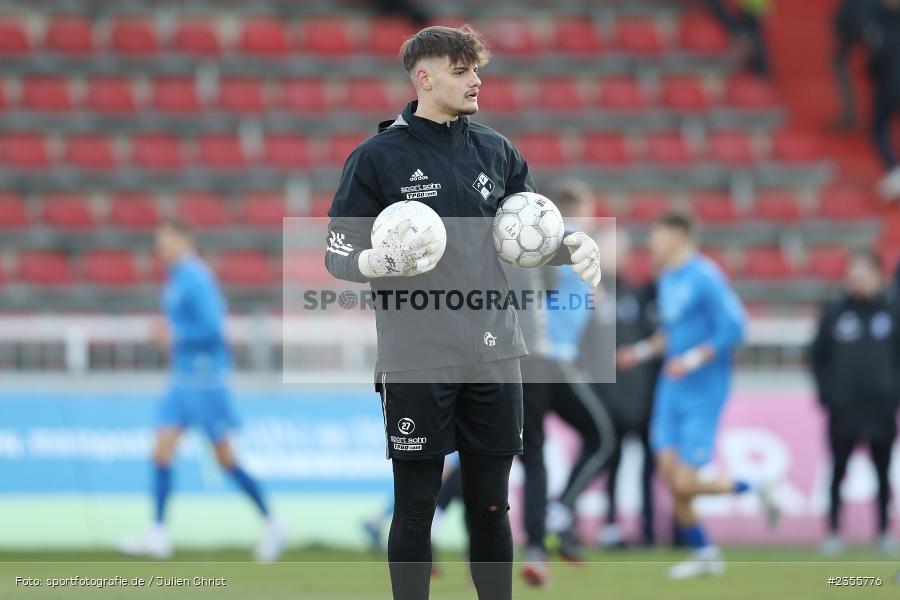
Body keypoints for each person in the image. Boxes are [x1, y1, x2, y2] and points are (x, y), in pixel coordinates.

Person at [323, 25, 602, 600]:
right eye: (461, 70)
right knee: (416, 505)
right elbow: (337, 252)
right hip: (417, 357)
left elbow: (525, 238)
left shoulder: (497, 151)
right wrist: (371, 260)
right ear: (424, 78)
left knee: (492, 507)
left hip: (495, 353)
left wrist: (569, 243)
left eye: (476, 70)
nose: (476, 81)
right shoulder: (376, 158)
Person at [617, 212, 777, 579]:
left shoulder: (706, 275)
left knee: (685, 482)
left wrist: (692, 359)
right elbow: (672, 333)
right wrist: (639, 352)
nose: (651, 243)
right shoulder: (667, 278)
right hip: (670, 389)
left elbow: (735, 327)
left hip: (703, 391)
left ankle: (755, 486)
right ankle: (704, 553)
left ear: (679, 235)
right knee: (669, 474)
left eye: (657, 235)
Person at [120, 219, 285, 562]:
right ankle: (158, 533)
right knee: (161, 449)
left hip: (206, 378)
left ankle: (273, 523)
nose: (161, 248)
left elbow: (213, 327)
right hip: (182, 378)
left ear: (186, 240)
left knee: (225, 458)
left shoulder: (197, 277)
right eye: (159, 242)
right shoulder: (177, 276)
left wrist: (175, 335)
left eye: (167, 240)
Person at [514, 181, 616, 587]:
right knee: (601, 437)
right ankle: (561, 512)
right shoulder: (573, 237)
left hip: (524, 360)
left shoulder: (536, 240)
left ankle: (535, 547)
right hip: (553, 359)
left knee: (529, 455)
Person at [809, 249, 900, 556]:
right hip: (843, 410)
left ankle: (884, 532)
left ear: (878, 274)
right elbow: (818, 358)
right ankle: (834, 533)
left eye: (862, 271)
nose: (856, 277)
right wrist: (828, 395)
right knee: (837, 471)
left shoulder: (893, 312)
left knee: (883, 473)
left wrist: (893, 395)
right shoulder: (835, 312)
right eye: (852, 271)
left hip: (881, 409)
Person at [580, 230, 661, 549]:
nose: (618, 256)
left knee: (648, 467)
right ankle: (602, 526)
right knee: (605, 461)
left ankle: (649, 529)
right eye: (611, 250)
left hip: (641, 398)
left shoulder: (638, 295)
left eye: (622, 250)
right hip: (605, 398)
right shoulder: (588, 293)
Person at [865, 0, 900, 201]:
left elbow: (880, 55)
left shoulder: (881, 25)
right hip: (889, 83)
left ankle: (894, 172)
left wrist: (871, 72)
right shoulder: (879, 20)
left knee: (879, 127)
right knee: (879, 127)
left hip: (889, 85)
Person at [830, 0, 880, 130]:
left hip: (863, 24)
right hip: (872, 25)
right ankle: (875, 114)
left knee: (880, 70)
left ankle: (852, 115)